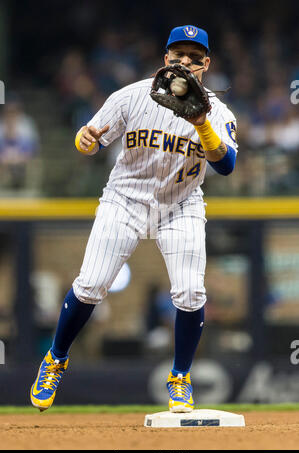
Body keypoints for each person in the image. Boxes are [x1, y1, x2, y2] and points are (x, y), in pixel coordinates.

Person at [30, 25, 238, 413]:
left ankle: (180, 378)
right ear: (165, 59)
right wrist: (84, 139)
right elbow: (88, 139)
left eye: (194, 57)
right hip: (125, 199)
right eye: (178, 55)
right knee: (90, 285)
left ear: (206, 64)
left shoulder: (217, 111)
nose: (185, 62)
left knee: (191, 294)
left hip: (181, 204)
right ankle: (55, 358)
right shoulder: (130, 96)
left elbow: (226, 165)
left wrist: (201, 123)